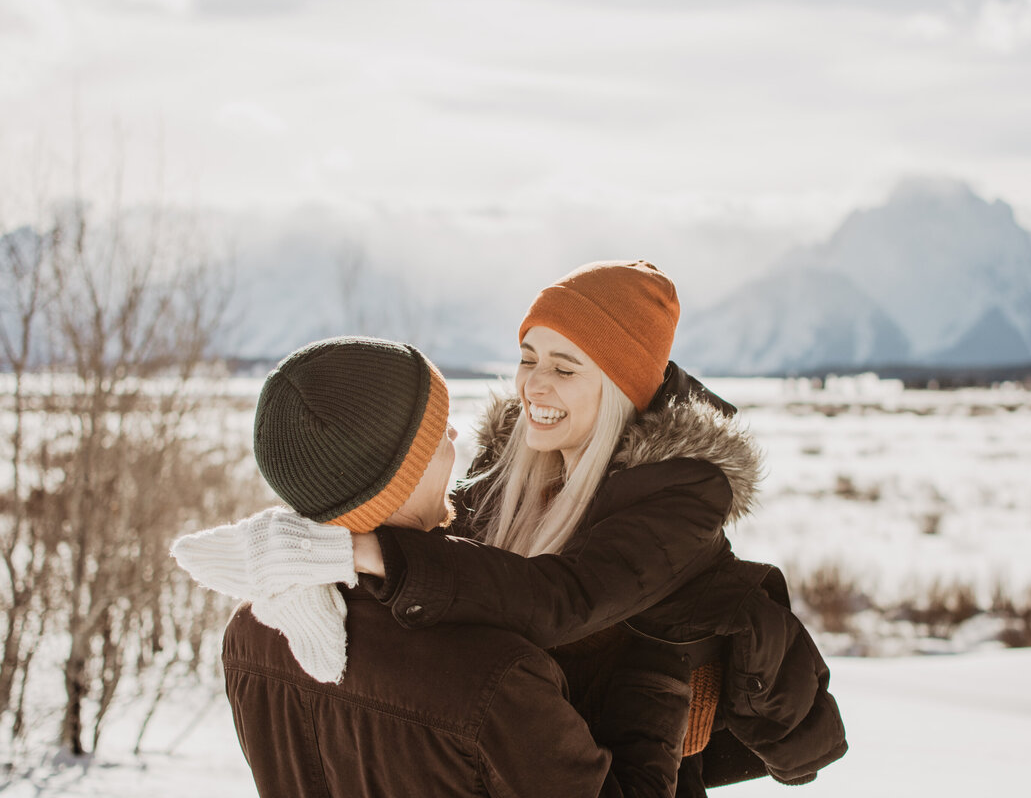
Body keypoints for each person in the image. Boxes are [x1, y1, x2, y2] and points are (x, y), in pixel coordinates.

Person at [181, 261, 847, 794]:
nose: (533, 384)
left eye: (565, 366)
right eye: (528, 357)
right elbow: (455, 562)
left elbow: (561, 599)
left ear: (619, 389)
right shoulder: (509, 471)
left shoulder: (675, 498)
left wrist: (358, 548)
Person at [173, 337, 691, 797]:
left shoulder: (252, 634)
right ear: (402, 473)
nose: (454, 435)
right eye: (437, 432)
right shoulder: (497, 676)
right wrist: (658, 661)